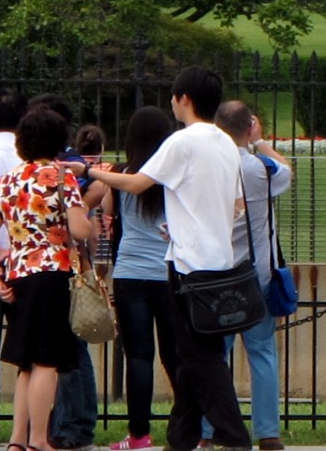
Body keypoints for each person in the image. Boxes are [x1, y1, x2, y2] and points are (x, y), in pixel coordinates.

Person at [91, 66, 252, 451]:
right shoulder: (226, 144)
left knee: (200, 359)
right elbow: (237, 207)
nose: (172, 103)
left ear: (185, 99)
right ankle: (181, 438)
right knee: (195, 354)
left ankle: (234, 437)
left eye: (174, 97)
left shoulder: (183, 142)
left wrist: (90, 170)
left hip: (187, 265)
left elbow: (137, 182)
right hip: (221, 261)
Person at [0, 104, 94, 451]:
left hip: (18, 274)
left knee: (26, 362)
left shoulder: (8, 181)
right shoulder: (60, 177)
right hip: (53, 273)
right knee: (47, 361)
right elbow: (80, 227)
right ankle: (40, 439)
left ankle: (17, 439)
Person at [213, 102, 294, 451]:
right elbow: (287, 170)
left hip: (216, 273)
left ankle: (208, 428)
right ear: (249, 128)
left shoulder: (210, 167)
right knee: (262, 353)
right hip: (257, 273)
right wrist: (260, 142)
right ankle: (268, 432)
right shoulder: (261, 168)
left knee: (215, 356)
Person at [102, 107, 180, 451]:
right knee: (174, 355)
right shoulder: (172, 177)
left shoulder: (121, 175)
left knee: (138, 356)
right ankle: (187, 426)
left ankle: (138, 436)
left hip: (130, 273)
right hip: (166, 272)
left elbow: (107, 212)